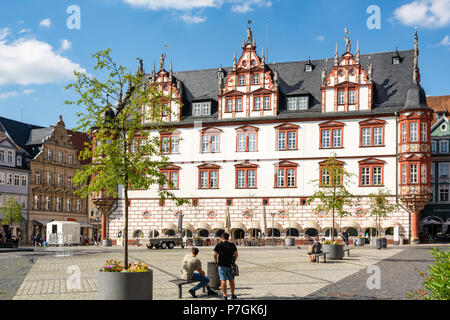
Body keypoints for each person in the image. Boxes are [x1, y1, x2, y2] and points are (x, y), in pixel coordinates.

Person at [213, 232, 238, 300]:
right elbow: (236, 254)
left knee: (223, 280)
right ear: (228, 238)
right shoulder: (232, 245)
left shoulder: (219, 245)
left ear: (222, 238)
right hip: (230, 265)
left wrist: (216, 262)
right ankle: (232, 295)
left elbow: (215, 254)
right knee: (231, 280)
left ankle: (224, 296)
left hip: (222, 265)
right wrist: (233, 261)